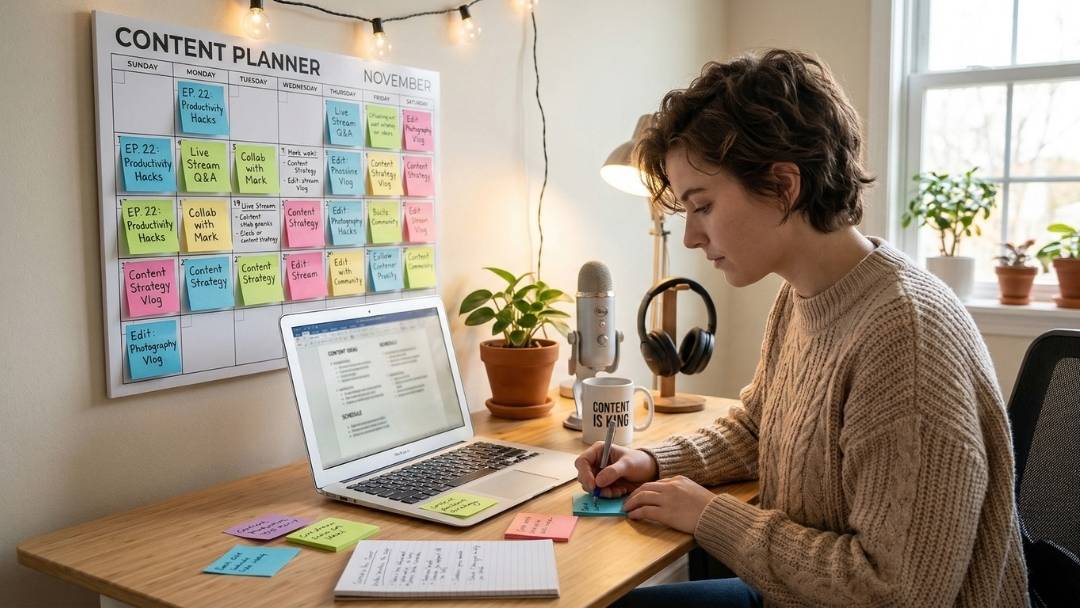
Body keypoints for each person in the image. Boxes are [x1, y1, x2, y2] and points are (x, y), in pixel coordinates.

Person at [575, 49, 1029, 607]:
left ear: (784, 186)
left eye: (703, 206)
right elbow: (757, 428)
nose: (691, 237)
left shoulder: (905, 337)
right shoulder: (803, 294)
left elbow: (893, 590)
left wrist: (712, 517)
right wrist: (651, 462)